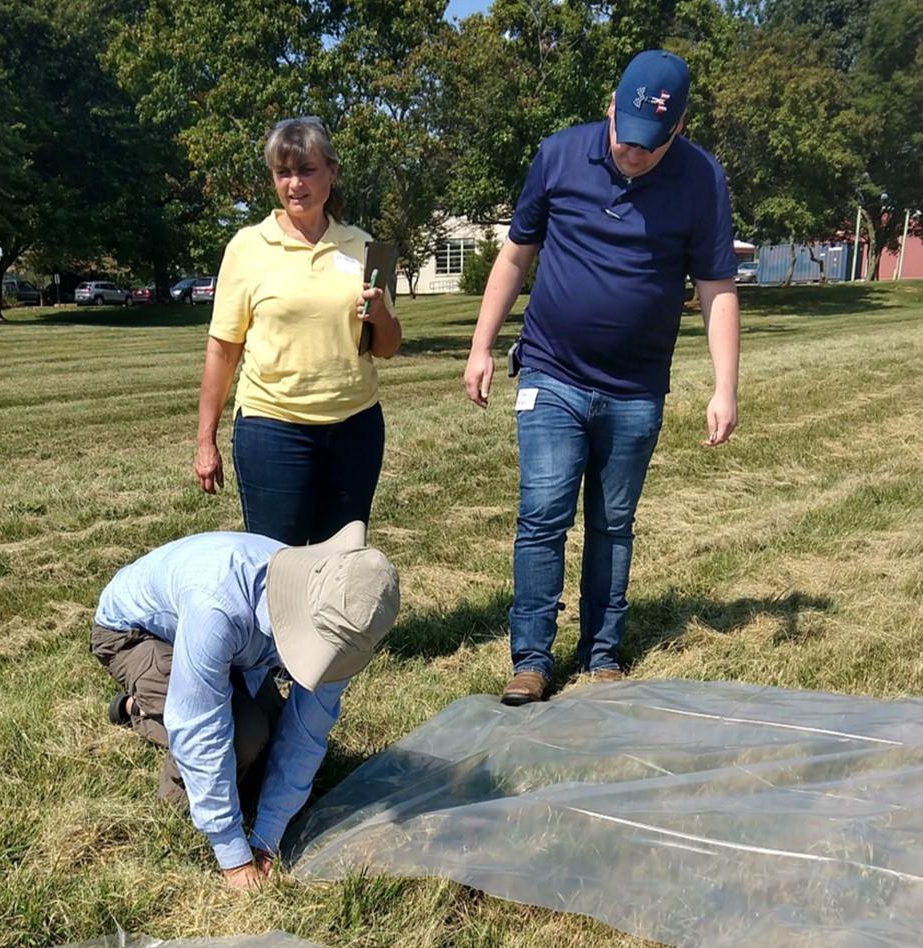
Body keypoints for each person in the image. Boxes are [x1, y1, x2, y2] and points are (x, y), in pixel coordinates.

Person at [463, 50, 741, 705]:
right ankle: (531, 659)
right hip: (552, 371)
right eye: (623, 135)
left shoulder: (701, 179)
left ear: (678, 131)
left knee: (613, 523)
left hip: (637, 387)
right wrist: (482, 345)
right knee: (542, 516)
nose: (631, 152)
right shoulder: (560, 154)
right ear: (610, 106)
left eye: (650, 145)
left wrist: (725, 385)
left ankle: (603, 653)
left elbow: (717, 286)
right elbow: (515, 255)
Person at [89, 520, 400, 889]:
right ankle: (146, 724)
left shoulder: (347, 613)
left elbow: (306, 729)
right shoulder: (215, 607)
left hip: (235, 651)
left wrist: (268, 834)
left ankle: (147, 705)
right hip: (133, 634)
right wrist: (233, 854)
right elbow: (199, 725)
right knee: (246, 734)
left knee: (268, 734)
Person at [193, 118, 402, 546]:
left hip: (355, 428)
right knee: (277, 564)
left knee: (341, 564)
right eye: (283, 172)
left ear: (332, 172)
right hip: (273, 428)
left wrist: (381, 314)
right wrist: (205, 440)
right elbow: (223, 350)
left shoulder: (363, 246)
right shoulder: (248, 248)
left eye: (306, 170)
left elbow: (387, 347)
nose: (294, 184)